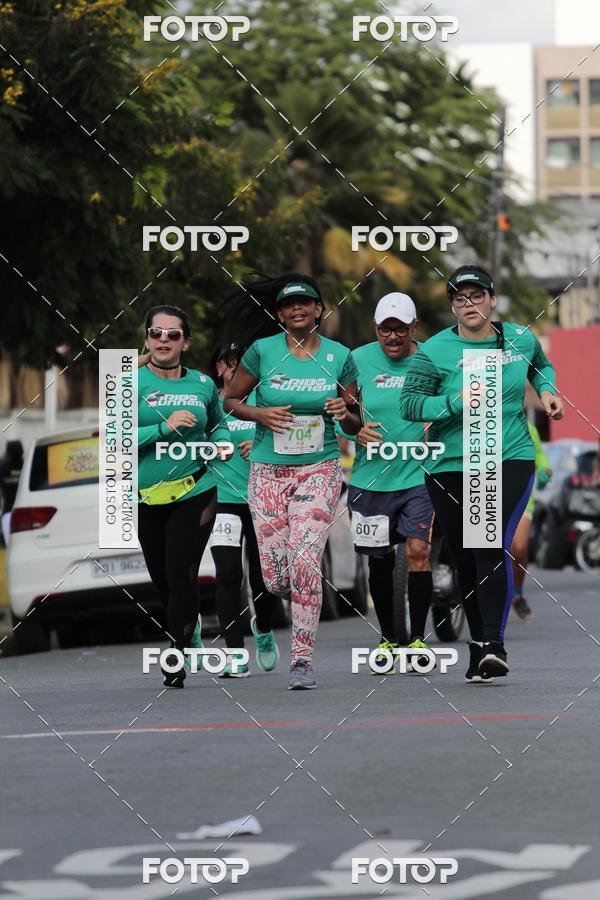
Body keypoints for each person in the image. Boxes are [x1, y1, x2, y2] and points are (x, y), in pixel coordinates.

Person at [399, 265, 563, 681]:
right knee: (465, 555)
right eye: (459, 298)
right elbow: (411, 405)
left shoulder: (519, 339)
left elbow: (541, 366)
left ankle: (494, 644)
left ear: (492, 300)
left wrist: (547, 392)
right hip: (449, 463)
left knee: (487, 542)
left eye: (476, 296)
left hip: (507, 455)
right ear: (452, 306)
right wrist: (453, 401)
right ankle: (478, 645)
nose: (468, 305)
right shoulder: (434, 351)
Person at [222, 273, 360, 690]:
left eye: (306, 302)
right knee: (276, 578)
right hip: (268, 471)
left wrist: (344, 411)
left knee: (305, 560)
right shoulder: (261, 353)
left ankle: (301, 659)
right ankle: (294, 592)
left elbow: (356, 421)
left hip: (319, 468)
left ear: (319, 309)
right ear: (279, 314)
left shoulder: (339, 357)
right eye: (288, 304)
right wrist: (261, 415)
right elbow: (231, 401)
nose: (298, 308)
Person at [136, 305, 232, 688]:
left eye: (173, 334)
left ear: (185, 343)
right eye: (157, 333)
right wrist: (164, 427)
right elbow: (113, 438)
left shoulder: (204, 385)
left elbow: (219, 427)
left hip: (196, 489)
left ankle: (175, 653)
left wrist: (222, 446)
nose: (164, 340)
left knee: (180, 571)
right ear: (147, 339)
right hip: (146, 495)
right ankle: (187, 630)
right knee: (162, 577)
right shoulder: (128, 383)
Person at [339, 292, 435, 674]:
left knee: (417, 552)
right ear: (376, 329)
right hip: (370, 478)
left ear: (414, 328)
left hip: (419, 476)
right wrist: (356, 429)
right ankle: (388, 637)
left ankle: (416, 638)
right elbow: (344, 414)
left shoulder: (431, 359)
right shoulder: (356, 360)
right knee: (379, 558)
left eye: (400, 329)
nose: (392, 337)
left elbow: (451, 401)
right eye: (385, 329)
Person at [209, 343, 280, 677]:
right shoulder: (212, 404)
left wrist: (263, 445)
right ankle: (234, 653)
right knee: (227, 575)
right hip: (222, 500)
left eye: (241, 363)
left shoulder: (259, 400)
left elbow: (289, 436)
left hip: (261, 500)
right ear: (219, 368)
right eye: (229, 363)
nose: (235, 368)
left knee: (264, 577)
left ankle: (263, 628)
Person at [510, 420, 552, 621]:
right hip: (486, 493)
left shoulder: (527, 427)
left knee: (518, 549)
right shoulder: (479, 423)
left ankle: (517, 594)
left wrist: (543, 470)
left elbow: (539, 455)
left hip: (521, 498)